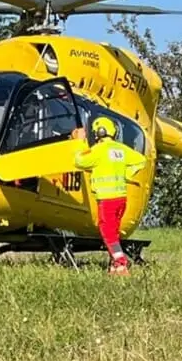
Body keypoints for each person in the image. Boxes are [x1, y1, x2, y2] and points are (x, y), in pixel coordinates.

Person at [73, 117, 147, 275]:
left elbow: (79, 161)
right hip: (121, 198)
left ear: (98, 133)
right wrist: (126, 174)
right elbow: (141, 160)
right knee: (113, 232)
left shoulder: (98, 151)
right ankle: (114, 266)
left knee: (107, 232)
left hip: (106, 199)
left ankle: (121, 263)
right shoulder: (120, 149)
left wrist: (79, 142)